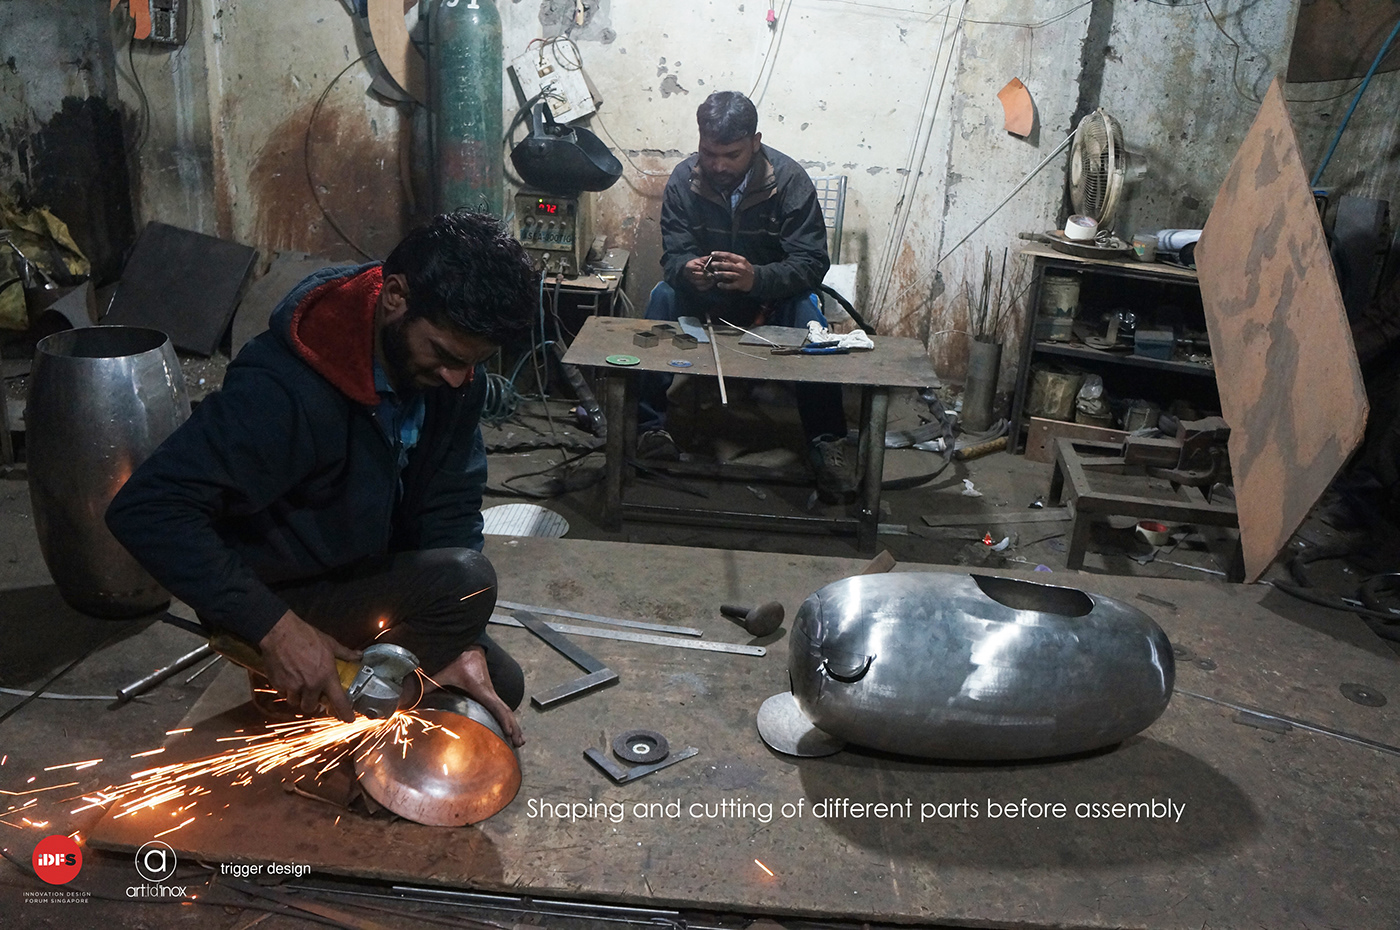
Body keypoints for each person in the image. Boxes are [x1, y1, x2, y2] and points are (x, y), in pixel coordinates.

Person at [106, 211, 537, 745]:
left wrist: (462, 638)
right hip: (279, 591)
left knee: (501, 680)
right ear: (395, 297)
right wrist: (277, 628)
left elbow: (449, 507)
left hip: (361, 570)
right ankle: (321, 704)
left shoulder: (455, 380)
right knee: (469, 581)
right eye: (445, 355)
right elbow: (146, 508)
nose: (456, 378)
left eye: (472, 362)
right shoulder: (285, 389)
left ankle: (353, 702)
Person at [637, 90, 858, 501]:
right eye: (709, 153)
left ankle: (827, 443)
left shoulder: (789, 182)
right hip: (706, 300)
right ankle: (649, 430)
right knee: (662, 296)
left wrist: (756, 278)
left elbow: (812, 264)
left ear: (755, 143)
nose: (719, 166)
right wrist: (686, 272)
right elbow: (673, 256)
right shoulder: (685, 181)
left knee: (810, 317)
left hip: (770, 301)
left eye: (732, 155)